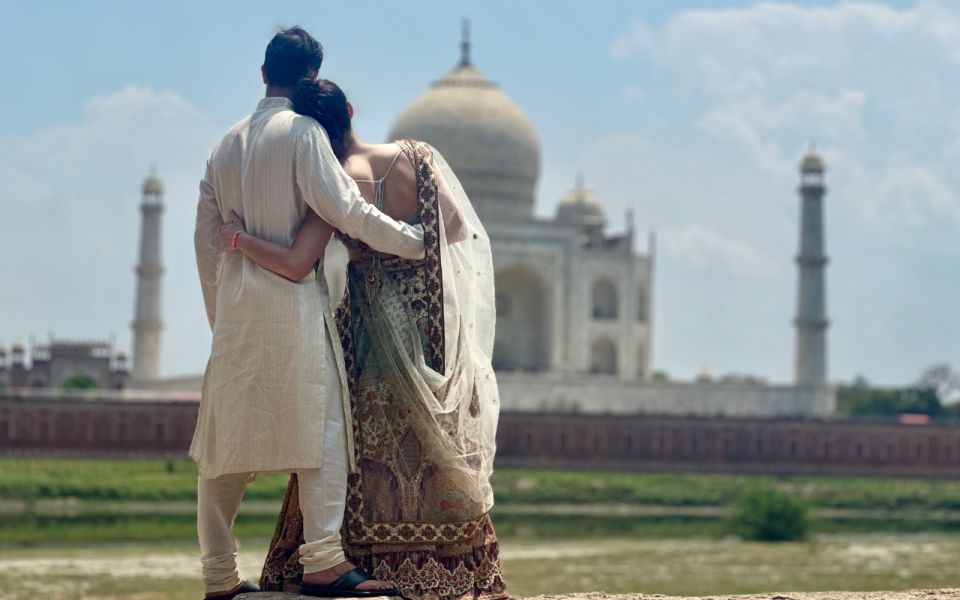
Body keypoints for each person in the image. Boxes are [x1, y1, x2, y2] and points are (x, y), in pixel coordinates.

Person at [217, 78, 508, 600]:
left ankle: (352, 560)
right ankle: (452, 569)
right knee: (429, 440)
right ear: (350, 110)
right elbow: (457, 229)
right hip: (426, 325)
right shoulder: (415, 158)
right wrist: (411, 252)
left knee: (358, 445)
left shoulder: (332, 183)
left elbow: (293, 263)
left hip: (363, 331)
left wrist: (239, 239)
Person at [192, 28, 422, 599]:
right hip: (292, 311)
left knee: (223, 450)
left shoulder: (224, 144)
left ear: (262, 72)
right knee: (320, 431)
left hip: (239, 316)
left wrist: (222, 320)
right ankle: (322, 561)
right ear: (311, 77)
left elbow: (204, 246)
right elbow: (345, 207)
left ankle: (219, 577)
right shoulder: (302, 135)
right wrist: (415, 242)